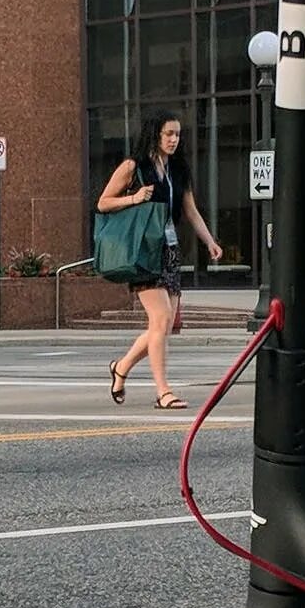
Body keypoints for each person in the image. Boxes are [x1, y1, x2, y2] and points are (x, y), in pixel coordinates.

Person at [101, 112, 222, 409]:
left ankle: (122, 367)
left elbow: (190, 211)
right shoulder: (134, 166)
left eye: (178, 134)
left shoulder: (178, 169)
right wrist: (135, 198)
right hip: (144, 251)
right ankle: (163, 391)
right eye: (168, 133)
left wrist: (210, 241)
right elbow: (103, 203)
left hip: (169, 250)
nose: (173, 139)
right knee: (160, 320)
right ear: (155, 134)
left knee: (164, 326)